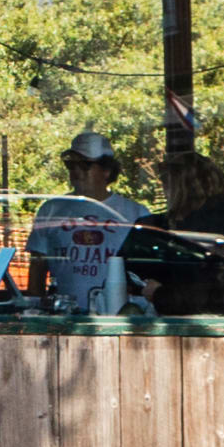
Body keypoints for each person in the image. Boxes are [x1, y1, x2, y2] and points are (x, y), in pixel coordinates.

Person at [25, 130, 150, 313]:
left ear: (106, 171)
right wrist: (35, 312)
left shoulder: (135, 213)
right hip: (65, 317)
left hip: (116, 318)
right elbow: (38, 267)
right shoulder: (51, 209)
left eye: (84, 165)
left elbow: (147, 273)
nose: (76, 171)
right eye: (71, 164)